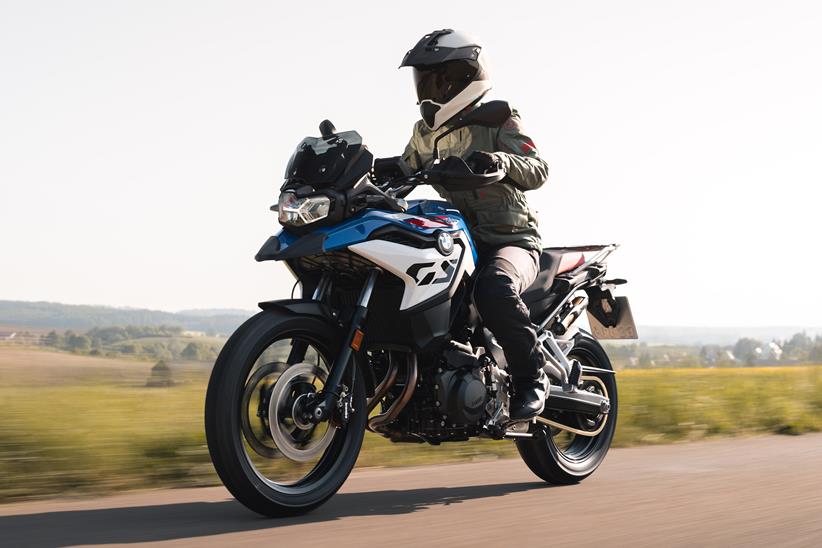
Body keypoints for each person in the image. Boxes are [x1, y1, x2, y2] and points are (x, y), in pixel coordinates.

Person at [400, 29, 551, 421]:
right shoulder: (425, 133)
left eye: (437, 79)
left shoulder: (498, 117)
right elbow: (404, 170)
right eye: (423, 81)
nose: (427, 90)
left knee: (494, 289)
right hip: (456, 240)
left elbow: (538, 169)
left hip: (512, 240)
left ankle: (532, 377)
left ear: (463, 78)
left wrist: (503, 163)